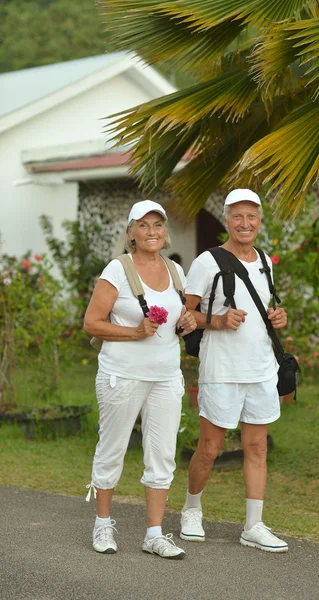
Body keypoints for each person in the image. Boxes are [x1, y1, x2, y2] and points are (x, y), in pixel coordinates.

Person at [84, 200, 196, 560]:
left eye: (158, 225)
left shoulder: (177, 271)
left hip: (165, 376)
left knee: (162, 456)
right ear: (131, 232)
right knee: (112, 449)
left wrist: (187, 323)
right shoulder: (118, 269)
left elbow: (180, 320)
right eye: (143, 225)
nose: (152, 232)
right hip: (122, 375)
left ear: (166, 232)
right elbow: (92, 323)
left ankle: (154, 534)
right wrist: (134, 333)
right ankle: (102, 524)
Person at [180, 189, 289, 553]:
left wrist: (278, 317)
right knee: (210, 447)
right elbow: (184, 317)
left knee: (256, 447)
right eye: (238, 217)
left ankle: (253, 526)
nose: (245, 224)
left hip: (260, 369)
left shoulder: (265, 261)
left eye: (252, 217)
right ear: (227, 220)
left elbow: (263, 307)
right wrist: (218, 320)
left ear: (260, 220)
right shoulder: (207, 262)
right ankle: (191, 510)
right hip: (222, 369)